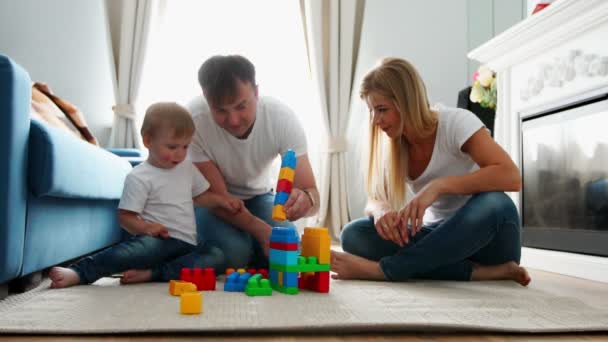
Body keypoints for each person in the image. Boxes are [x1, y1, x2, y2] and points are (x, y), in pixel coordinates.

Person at [331, 57, 531, 286]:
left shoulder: (455, 123)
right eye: (371, 111)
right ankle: (481, 273)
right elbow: (375, 198)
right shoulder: (394, 144)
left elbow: (511, 177)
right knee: (353, 235)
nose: (376, 120)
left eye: (382, 109)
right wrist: (381, 210)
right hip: (436, 239)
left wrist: (440, 186)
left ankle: (386, 270)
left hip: (486, 240)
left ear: (406, 101)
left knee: (497, 204)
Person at [49, 102, 242, 288]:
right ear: (148, 140)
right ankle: (80, 272)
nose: (180, 154)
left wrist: (222, 200)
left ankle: (154, 274)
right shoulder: (139, 176)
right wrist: (147, 228)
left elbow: (200, 197)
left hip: (188, 244)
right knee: (125, 253)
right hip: (157, 242)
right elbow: (125, 217)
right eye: (172, 147)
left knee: (217, 255)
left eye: (185, 147)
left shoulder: (187, 169)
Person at [186, 55, 320, 269]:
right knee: (235, 254)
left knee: (287, 241)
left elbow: (313, 194)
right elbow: (220, 199)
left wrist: (307, 199)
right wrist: (260, 230)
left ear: (256, 92)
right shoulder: (192, 121)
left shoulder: (281, 118)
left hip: (259, 195)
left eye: (241, 106)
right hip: (211, 202)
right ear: (206, 98)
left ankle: (251, 249)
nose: (233, 120)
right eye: (221, 110)